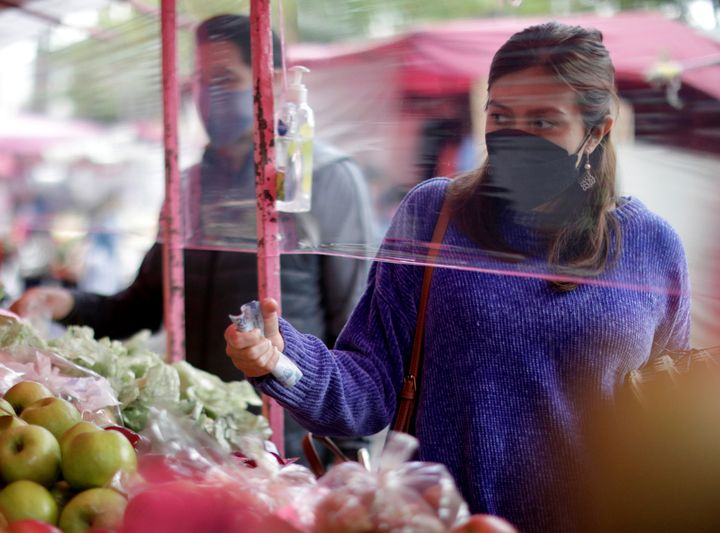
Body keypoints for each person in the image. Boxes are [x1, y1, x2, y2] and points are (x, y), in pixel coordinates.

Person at [224, 22, 691, 533]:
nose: (516, 137)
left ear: (596, 130)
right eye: (500, 115)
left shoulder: (652, 246)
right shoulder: (434, 214)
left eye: (543, 121)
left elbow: (665, 414)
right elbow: (370, 384)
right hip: (442, 524)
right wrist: (284, 361)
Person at [11, 15, 376, 460]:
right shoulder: (187, 187)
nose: (212, 95)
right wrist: (65, 303)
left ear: (274, 84)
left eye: (227, 79)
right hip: (194, 442)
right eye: (203, 80)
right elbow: (144, 301)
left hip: (286, 450)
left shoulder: (324, 178)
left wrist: (349, 459)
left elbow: (356, 336)